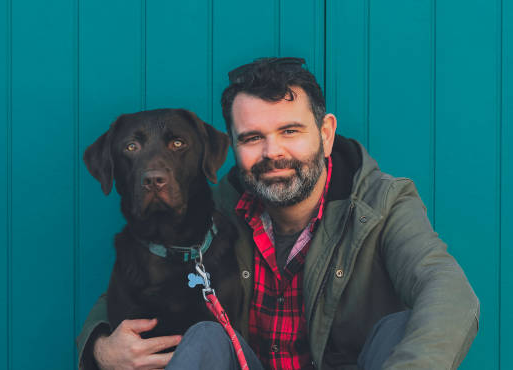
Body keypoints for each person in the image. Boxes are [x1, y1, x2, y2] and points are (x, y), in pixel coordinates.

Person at [76, 57, 479, 369]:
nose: (273, 153)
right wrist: (100, 347)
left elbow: (448, 293)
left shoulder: (381, 204)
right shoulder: (214, 210)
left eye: (290, 131)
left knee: (404, 325)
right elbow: (135, 279)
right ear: (232, 147)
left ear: (324, 134)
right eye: (253, 138)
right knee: (204, 338)